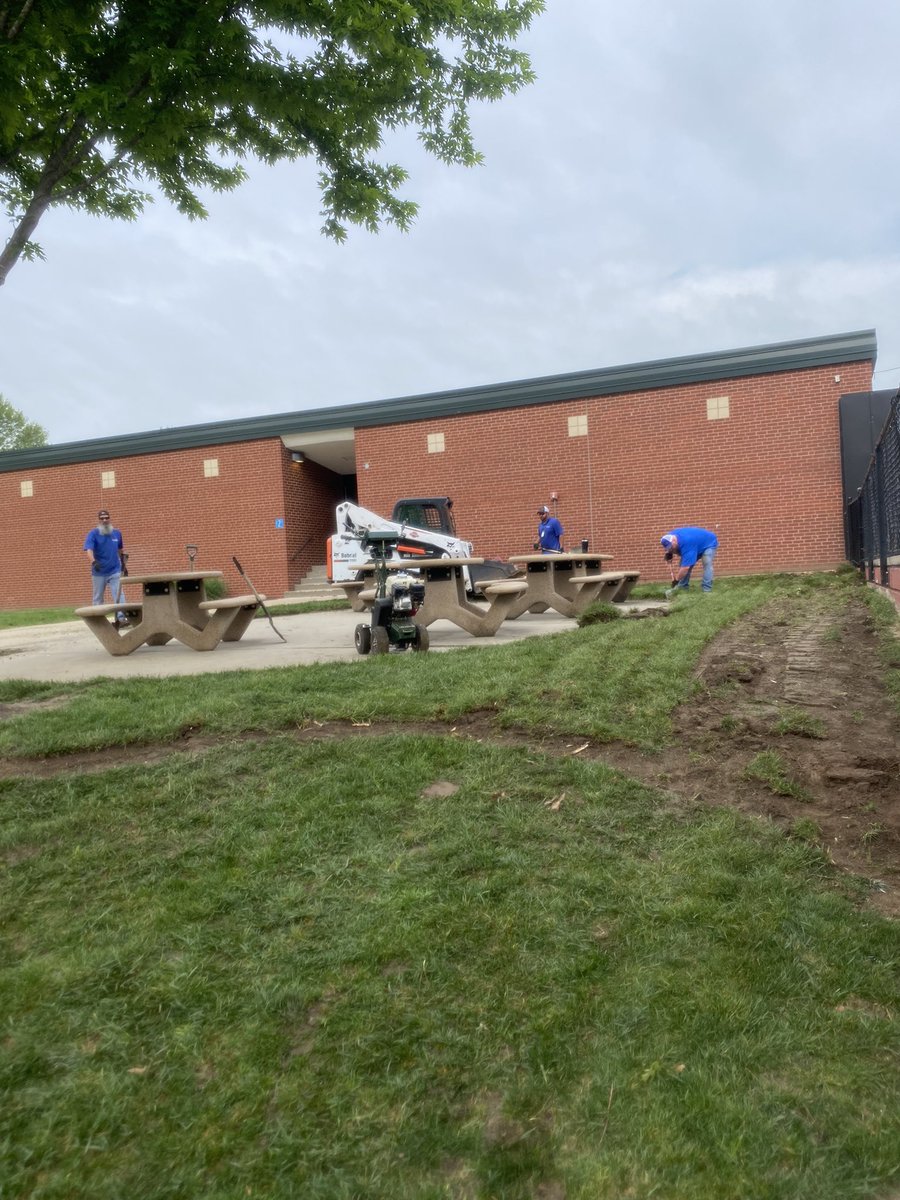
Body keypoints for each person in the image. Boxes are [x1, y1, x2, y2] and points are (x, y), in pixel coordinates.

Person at [83, 509, 127, 619]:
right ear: (99, 520)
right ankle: (98, 618)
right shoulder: (93, 534)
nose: (104, 520)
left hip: (115, 570)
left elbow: (120, 550)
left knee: (119, 594)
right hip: (99, 571)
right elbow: (89, 550)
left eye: (107, 518)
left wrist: (123, 565)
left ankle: (122, 618)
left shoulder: (117, 533)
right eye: (102, 518)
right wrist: (93, 562)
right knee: (98, 597)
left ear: (109, 519)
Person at [660, 526, 718, 595]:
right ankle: (683, 588)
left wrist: (676, 581)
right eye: (669, 548)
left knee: (707, 564)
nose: (671, 548)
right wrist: (669, 553)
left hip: (708, 543)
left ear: (674, 541)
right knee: (684, 564)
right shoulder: (669, 537)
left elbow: (685, 568)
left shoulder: (686, 543)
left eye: (671, 547)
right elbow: (670, 547)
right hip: (695, 543)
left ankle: (707, 590)